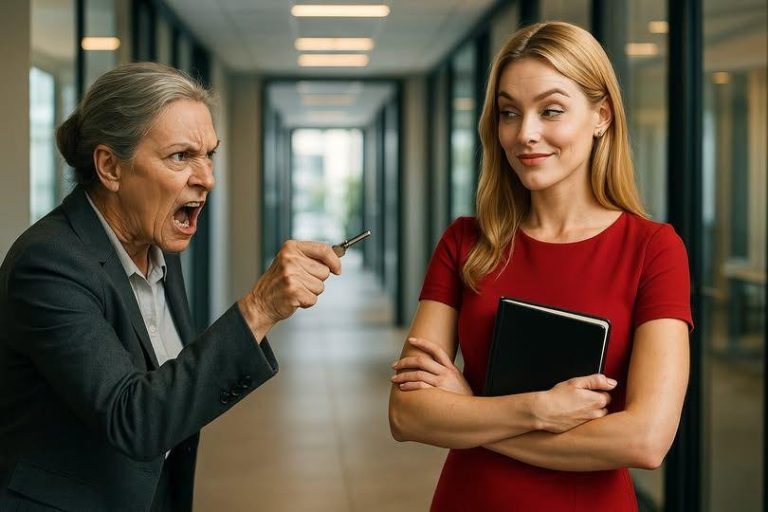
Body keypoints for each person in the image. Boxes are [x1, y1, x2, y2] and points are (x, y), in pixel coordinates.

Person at [0, 62, 341, 512]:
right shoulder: (49, 265)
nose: (207, 178)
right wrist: (259, 308)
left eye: (210, 154)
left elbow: (172, 398)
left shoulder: (156, 245)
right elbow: (133, 418)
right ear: (110, 167)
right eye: (181, 156)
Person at [388, 21, 692, 511]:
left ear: (602, 116)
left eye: (551, 110)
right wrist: (539, 409)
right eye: (509, 113)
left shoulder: (653, 249)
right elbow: (407, 414)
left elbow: (645, 440)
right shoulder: (466, 241)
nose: (525, 134)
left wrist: (467, 412)